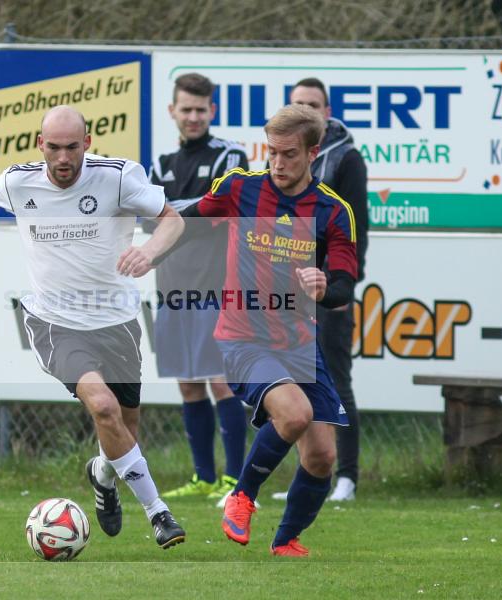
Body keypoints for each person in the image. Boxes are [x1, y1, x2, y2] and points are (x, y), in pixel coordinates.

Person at [0, 106, 187, 549]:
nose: (63, 158)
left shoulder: (118, 177)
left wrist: (150, 252)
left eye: (72, 147)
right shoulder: (19, 181)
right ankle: (159, 514)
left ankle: (102, 474)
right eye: (55, 148)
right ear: (40, 145)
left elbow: (172, 220)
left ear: (88, 142)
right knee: (103, 407)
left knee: (122, 427)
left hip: (117, 321)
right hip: (54, 322)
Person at [173, 103, 357, 557]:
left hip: (298, 343)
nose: (277, 163)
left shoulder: (333, 212)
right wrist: (143, 227)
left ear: (312, 153)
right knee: (293, 414)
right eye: (271, 152)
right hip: (242, 336)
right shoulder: (241, 189)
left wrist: (324, 287)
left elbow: (344, 286)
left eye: (289, 154)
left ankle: (285, 541)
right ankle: (242, 495)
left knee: (321, 457)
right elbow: (189, 216)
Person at [150, 73, 249, 501]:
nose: (193, 117)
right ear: (172, 112)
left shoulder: (231, 156)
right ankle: (204, 478)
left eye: (200, 109)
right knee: (187, 383)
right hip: (172, 288)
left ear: (213, 111)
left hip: (217, 288)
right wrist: (182, 212)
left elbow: (223, 206)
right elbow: (150, 216)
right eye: (185, 109)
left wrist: (173, 213)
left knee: (221, 380)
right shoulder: (160, 165)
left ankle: (235, 480)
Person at [271, 77, 369, 503]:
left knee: (335, 381)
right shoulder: (281, 160)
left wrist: (332, 285)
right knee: (293, 385)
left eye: (313, 105)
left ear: (327, 112)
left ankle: (346, 475)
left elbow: (354, 230)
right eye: (298, 105)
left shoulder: (347, 159)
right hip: (286, 294)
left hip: (326, 291)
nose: (306, 112)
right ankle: (307, 474)